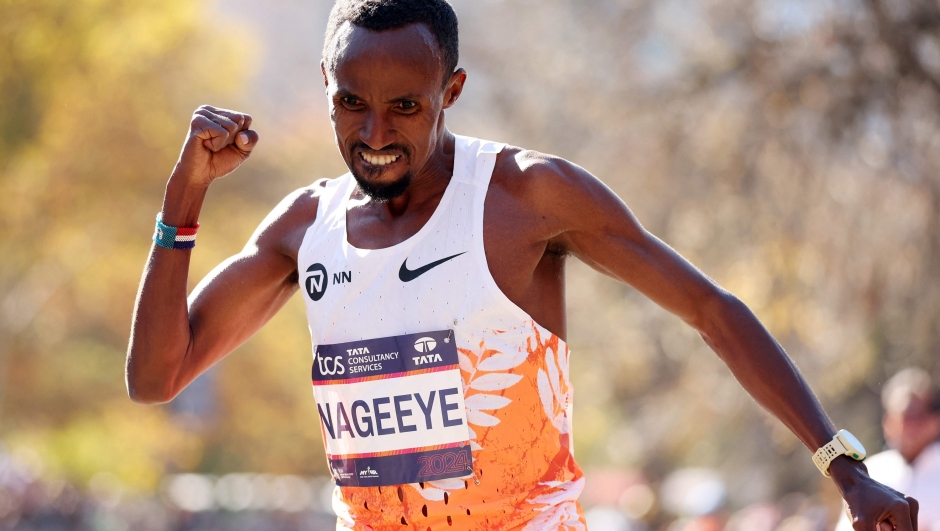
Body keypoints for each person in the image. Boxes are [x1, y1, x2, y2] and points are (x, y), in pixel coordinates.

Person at [124, 0, 919, 529]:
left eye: (406, 105)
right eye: (351, 103)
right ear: (326, 90)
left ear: (452, 90)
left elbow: (711, 311)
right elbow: (156, 376)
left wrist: (844, 467)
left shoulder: (523, 196)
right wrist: (184, 193)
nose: (374, 133)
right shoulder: (305, 225)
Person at [836, 368, 940, 531]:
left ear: (934, 422)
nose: (908, 426)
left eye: (917, 416)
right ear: (887, 423)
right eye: (903, 417)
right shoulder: (871, 472)